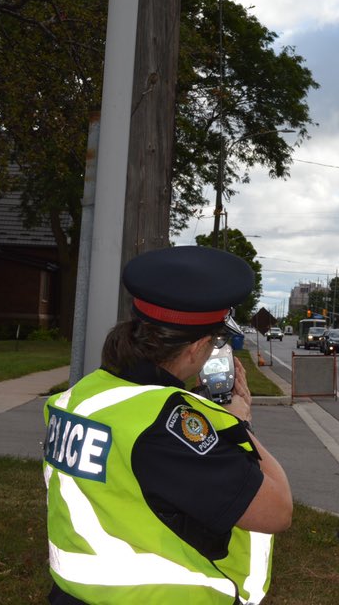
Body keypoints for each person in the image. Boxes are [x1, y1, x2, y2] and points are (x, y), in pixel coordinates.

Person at [43, 245, 292, 604]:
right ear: (197, 348)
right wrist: (241, 425)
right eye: (214, 344)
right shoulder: (166, 423)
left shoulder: (81, 396)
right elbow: (277, 510)